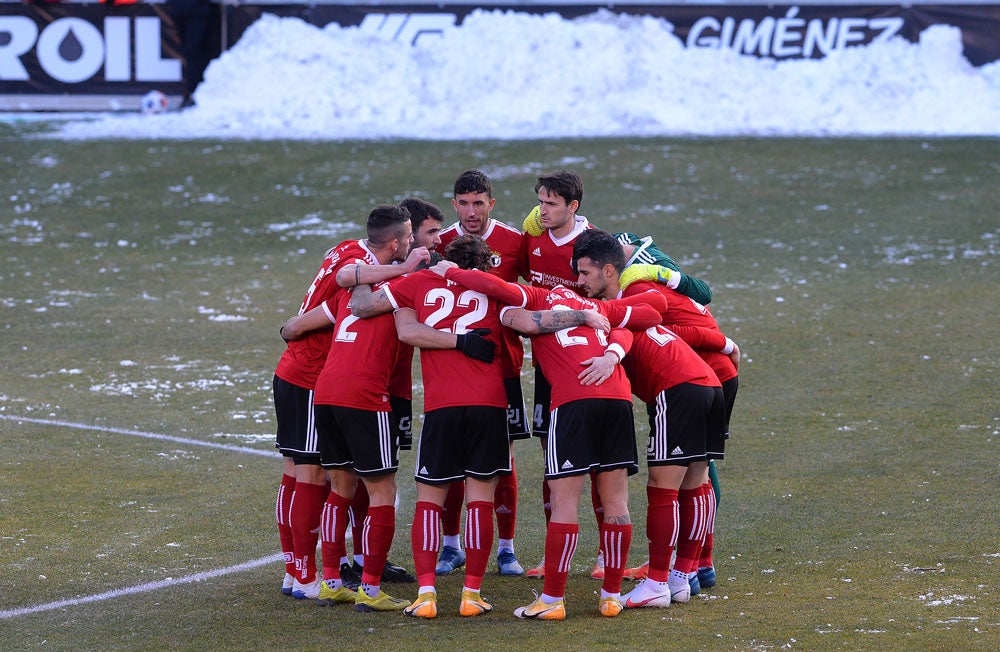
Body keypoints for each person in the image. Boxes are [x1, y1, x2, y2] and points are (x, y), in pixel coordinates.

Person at [428, 246, 667, 620]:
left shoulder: (538, 296)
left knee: (564, 501)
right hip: (618, 399)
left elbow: (500, 293)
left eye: (584, 274)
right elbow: (652, 311)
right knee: (617, 502)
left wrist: (449, 270)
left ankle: (553, 600)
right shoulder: (598, 308)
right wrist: (608, 344)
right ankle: (611, 596)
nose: (580, 281)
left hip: (573, 401)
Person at [272, 204, 429, 601]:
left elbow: (310, 316)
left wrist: (291, 325)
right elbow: (348, 286)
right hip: (315, 376)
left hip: (303, 374)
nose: (416, 244)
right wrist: (408, 269)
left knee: (301, 474)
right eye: (412, 238)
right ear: (394, 243)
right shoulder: (364, 269)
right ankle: (308, 576)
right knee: (312, 476)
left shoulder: (346, 249)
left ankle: (300, 571)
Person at [571, 228, 731, 607]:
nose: (579, 282)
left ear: (610, 271)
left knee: (663, 487)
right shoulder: (635, 302)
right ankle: (681, 577)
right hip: (709, 387)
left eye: (585, 273)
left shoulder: (620, 306)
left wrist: (599, 334)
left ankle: (658, 582)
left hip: (677, 390)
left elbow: (629, 327)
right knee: (696, 484)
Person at [436, 169, 528, 576]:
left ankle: (506, 548)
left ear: (492, 203)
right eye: (463, 203)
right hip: (451, 367)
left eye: (479, 203)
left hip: (502, 366)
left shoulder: (514, 242)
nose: (471, 211)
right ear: (454, 204)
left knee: (502, 460)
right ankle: (450, 546)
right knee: (452, 461)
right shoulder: (439, 243)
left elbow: (532, 290)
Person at [166, 0, 213, 108]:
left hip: (198, 11)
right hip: (179, 11)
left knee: (193, 50)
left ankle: (194, 91)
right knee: (188, 52)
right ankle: (191, 91)